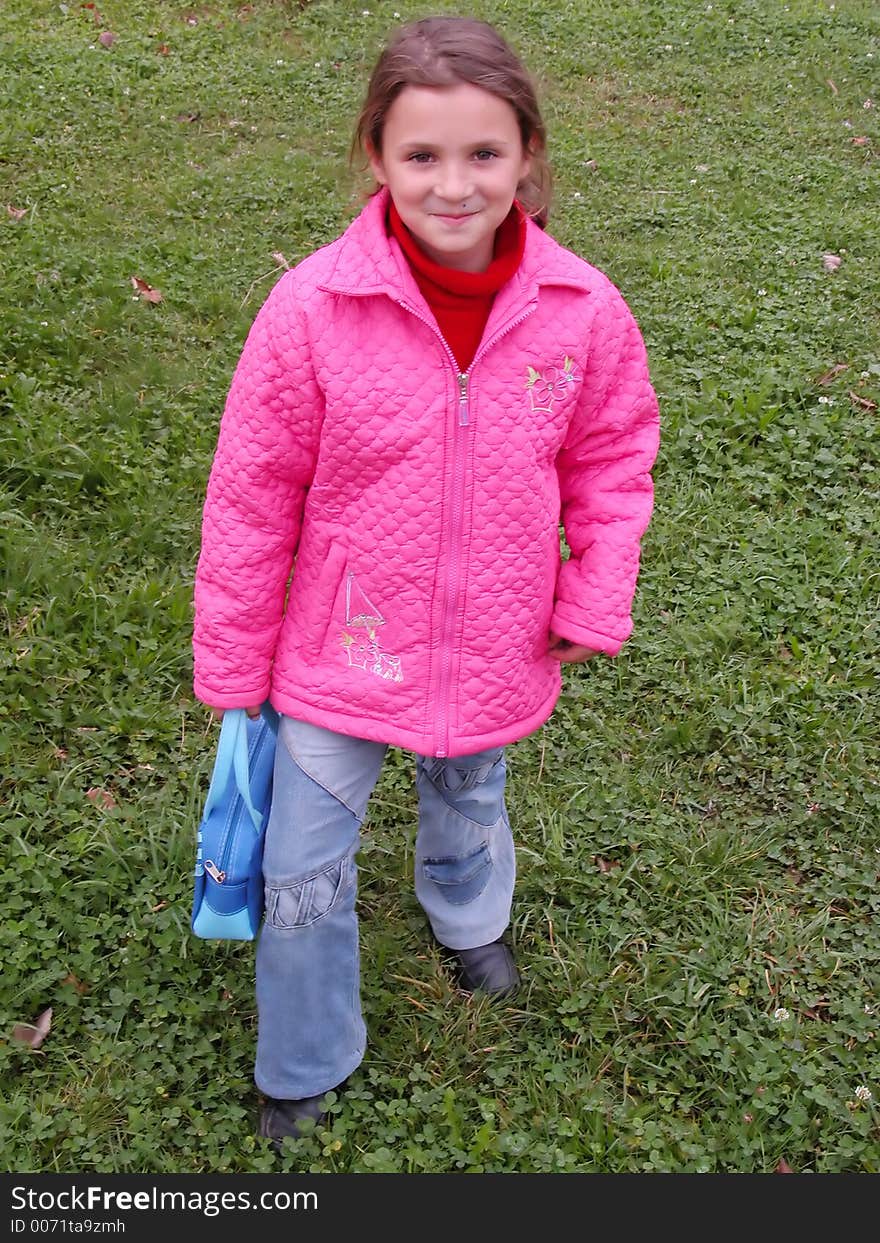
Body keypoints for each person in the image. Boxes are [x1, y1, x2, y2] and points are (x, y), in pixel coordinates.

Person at [192, 15, 659, 1146]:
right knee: (300, 868)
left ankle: (466, 916)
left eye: (484, 155)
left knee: (469, 800)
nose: (454, 185)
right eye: (422, 156)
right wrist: (234, 659)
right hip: (337, 650)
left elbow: (612, 460)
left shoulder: (582, 311)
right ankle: (303, 1058)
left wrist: (591, 595)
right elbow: (252, 494)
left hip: (498, 635)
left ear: (528, 157)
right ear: (376, 157)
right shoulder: (311, 309)